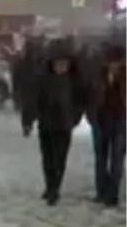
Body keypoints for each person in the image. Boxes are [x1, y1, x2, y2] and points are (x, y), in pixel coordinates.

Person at [35, 41, 86, 206]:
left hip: (64, 125)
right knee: (48, 158)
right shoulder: (44, 79)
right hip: (46, 124)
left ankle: (55, 188)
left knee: (60, 158)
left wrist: (75, 118)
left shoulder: (74, 80)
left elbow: (80, 101)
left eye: (64, 64)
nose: (61, 67)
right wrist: (36, 115)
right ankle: (50, 186)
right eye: (58, 64)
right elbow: (36, 99)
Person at [87, 44, 127, 206]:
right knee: (101, 158)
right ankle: (101, 192)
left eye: (116, 62)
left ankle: (112, 194)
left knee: (117, 159)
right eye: (110, 62)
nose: (113, 65)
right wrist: (91, 117)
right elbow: (90, 97)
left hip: (122, 121)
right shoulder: (98, 76)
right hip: (100, 120)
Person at [15, 38, 42, 137]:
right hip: (32, 87)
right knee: (32, 107)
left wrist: (16, 88)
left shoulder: (22, 62)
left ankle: (27, 125)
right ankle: (28, 125)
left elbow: (16, 75)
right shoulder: (37, 61)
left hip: (26, 87)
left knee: (26, 108)